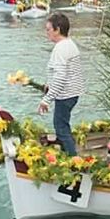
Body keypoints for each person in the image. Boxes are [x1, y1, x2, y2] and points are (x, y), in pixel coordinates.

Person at [38, 12, 85, 156]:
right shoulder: (70, 44)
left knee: (61, 128)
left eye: (48, 29)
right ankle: (66, 154)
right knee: (63, 125)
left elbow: (60, 77)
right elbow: (64, 73)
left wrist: (46, 100)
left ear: (57, 30)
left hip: (65, 95)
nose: (47, 33)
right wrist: (49, 85)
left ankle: (73, 161)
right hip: (73, 92)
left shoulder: (60, 49)